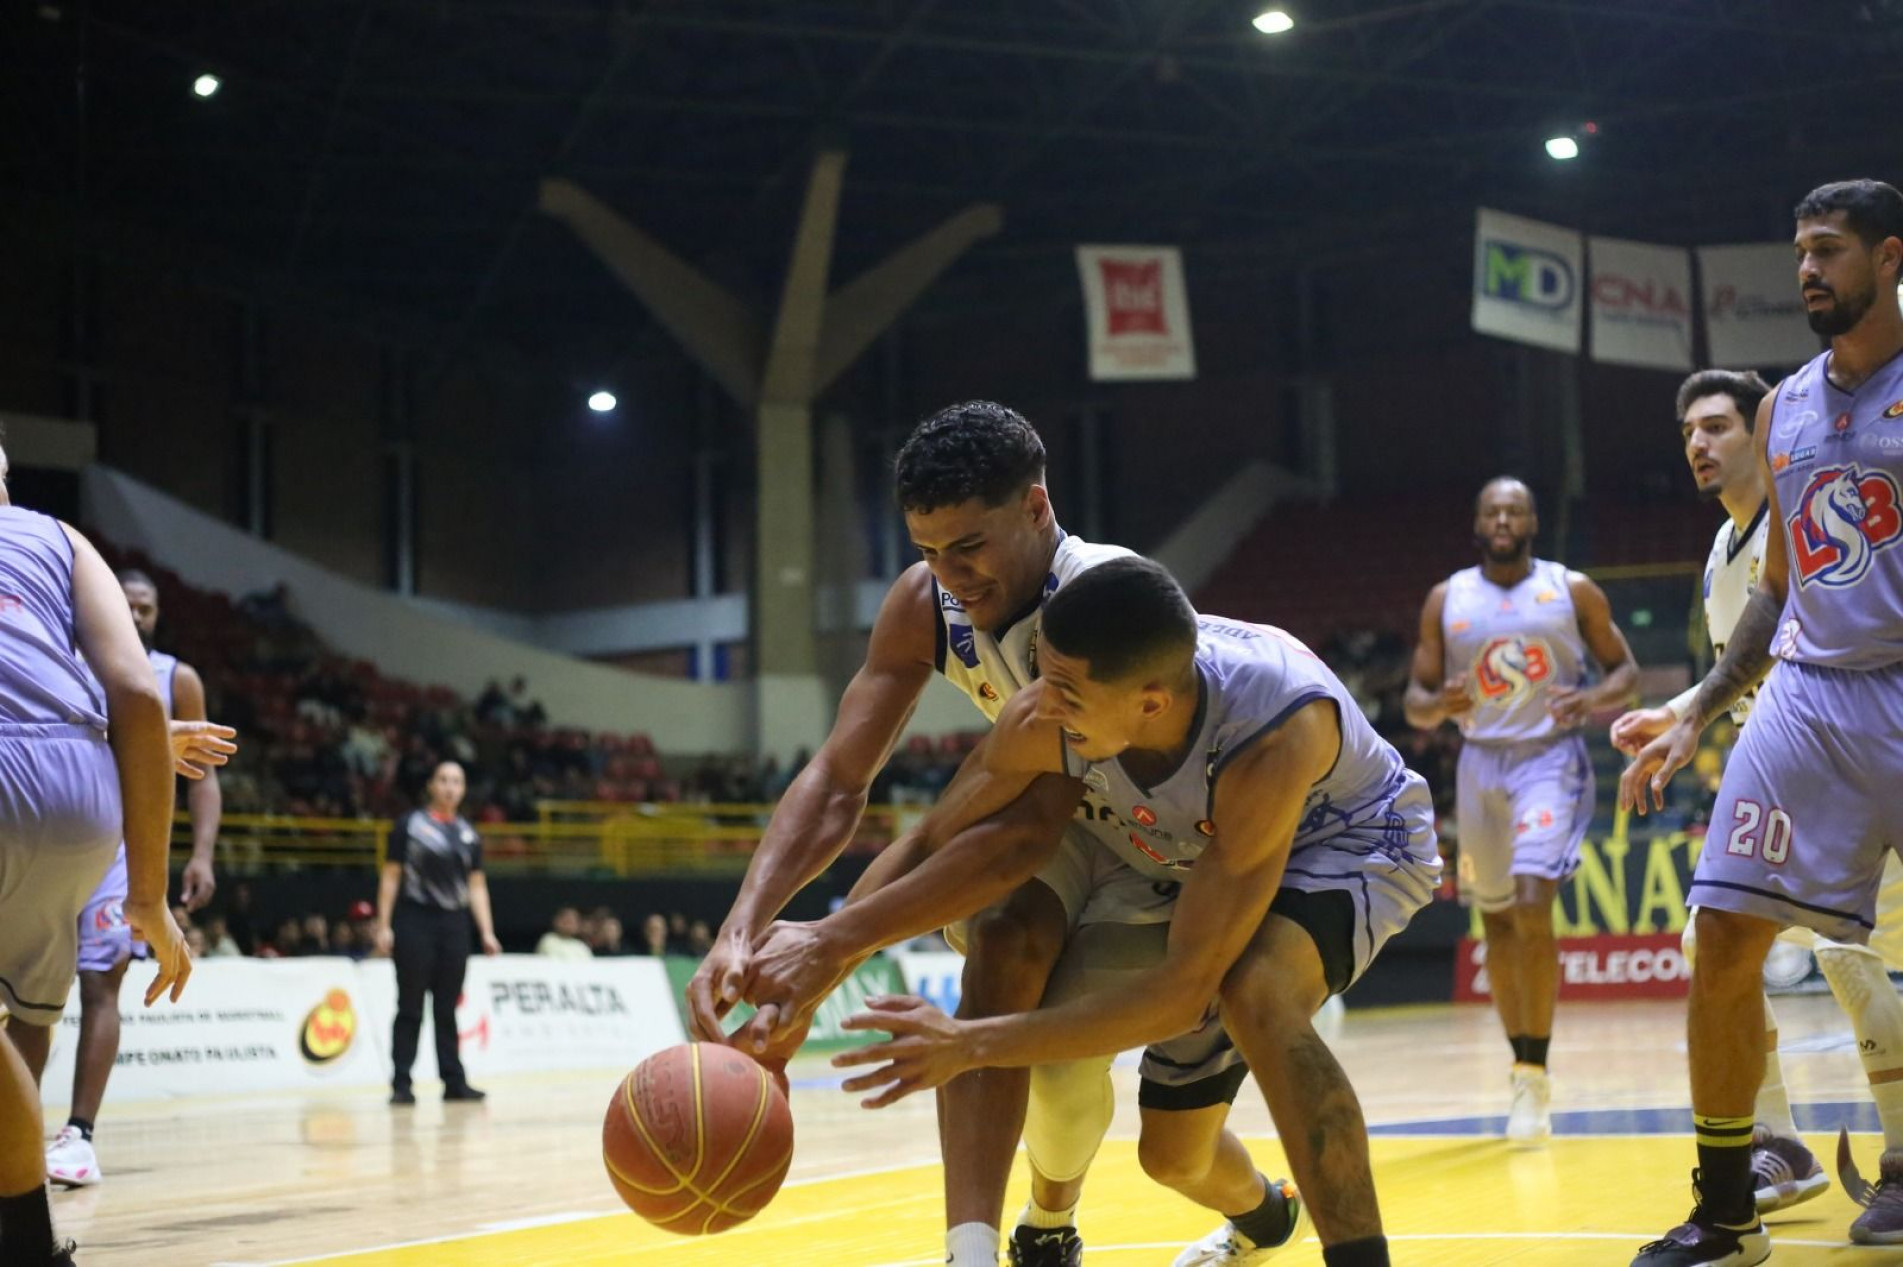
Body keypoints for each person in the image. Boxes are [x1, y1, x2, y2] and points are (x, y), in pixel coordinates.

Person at [696, 401, 1273, 1267]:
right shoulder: (925, 601)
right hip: (1071, 815)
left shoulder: (1096, 603)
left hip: (1183, 855)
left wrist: (832, 947)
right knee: (1004, 943)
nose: (949, 573)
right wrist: (745, 925)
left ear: (1036, 507)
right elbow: (837, 781)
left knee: (1167, 1147)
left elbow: (1014, 834)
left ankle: (1251, 1211)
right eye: (928, 550)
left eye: (968, 546)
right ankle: (975, 1249)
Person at [817, 558, 1441, 1267]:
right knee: (1171, 1157)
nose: (1039, 704)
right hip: (1196, 840)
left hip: (1342, 838)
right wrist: (817, 958)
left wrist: (969, 1043)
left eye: (1063, 690)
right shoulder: (1065, 703)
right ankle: (1267, 1215)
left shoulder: (1272, 729)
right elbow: (933, 839)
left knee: (1256, 994)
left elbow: (1180, 993)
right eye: (1040, 675)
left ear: (1148, 703)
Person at [1622, 179, 1903, 1264]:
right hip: (1808, 688)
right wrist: (1697, 705)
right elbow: (1780, 584)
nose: (1804, 270)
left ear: (1888, 258)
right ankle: (1729, 1206)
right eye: (1798, 252)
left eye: (1827, 250)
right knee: (1722, 935)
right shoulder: (1784, 405)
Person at [1402, 476, 1639, 1143]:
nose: (1502, 518)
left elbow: (1623, 670)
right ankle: (1522, 1068)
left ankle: (1536, 1068)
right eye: (1490, 510)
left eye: (1514, 509)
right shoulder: (1445, 598)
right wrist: (1435, 704)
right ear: (1476, 523)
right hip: (1478, 763)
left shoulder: (1571, 588)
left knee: (1534, 899)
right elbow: (1415, 700)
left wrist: (1591, 700)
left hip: (1547, 757)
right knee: (1497, 920)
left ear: (1533, 520)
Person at [0, 448, 191, 1266]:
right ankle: (27, 1243)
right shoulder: (60, 537)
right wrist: (150, 896)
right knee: (19, 1024)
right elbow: (138, 696)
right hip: (87, 789)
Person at [12, 569, 225, 1189]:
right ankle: (19, 1135)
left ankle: (78, 1134)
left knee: (101, 987)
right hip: (56, 829)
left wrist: (203, 852)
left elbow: (204, 773)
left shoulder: (175, 678)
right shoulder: (63, 660)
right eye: (126, 604)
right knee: (23, 991)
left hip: (120, 853)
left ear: (158, 613)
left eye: (147, 606)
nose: (135, 614)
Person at [374, 760, 501, 1105]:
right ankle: (401, 1083)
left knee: (447, 1007)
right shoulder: (409, 826)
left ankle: (454, 1081)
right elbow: (391, 876)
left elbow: (476, 886)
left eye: (457, 781)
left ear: (463, 789)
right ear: (431, 785)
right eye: (443, 780)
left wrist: (486, 931)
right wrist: (384, 925)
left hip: (454, 926)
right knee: (410, 1006)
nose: (449, 787)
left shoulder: (469, 834)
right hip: (414, 921)